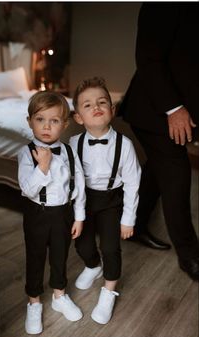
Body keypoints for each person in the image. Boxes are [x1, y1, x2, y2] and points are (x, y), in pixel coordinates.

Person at [117, 3, 199, 280]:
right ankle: (190, 255)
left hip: (181, 110)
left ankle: (136, 225)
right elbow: (149, 59)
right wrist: (174, 108)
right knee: (176, 172)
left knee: (158, 168)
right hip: (153, 109)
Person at [69, 77, 141, 324]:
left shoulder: (125, 145)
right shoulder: (73, 144)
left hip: (111, 200)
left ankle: (109, 290)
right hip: (84, 200)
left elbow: (133, 183)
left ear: (112, 109)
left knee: (110, 248)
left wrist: (128, 218)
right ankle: (92, 266)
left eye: (102, 102)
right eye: (87, 105)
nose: (96, 106)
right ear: (78, 117)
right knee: (82, 245)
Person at [18, 91, 86, 334]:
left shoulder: (69, 152)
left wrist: (79, 216)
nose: (47, 126)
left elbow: (78, 187)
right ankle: (34, 301)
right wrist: (43, 167)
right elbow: (27, 189)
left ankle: (59, 295)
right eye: (40, 119)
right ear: (30, 121)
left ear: (64, 124)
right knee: (35, 257)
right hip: (37, 213)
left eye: (54, 120)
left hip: (63, 214)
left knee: (60, 255)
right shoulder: (26, 153)